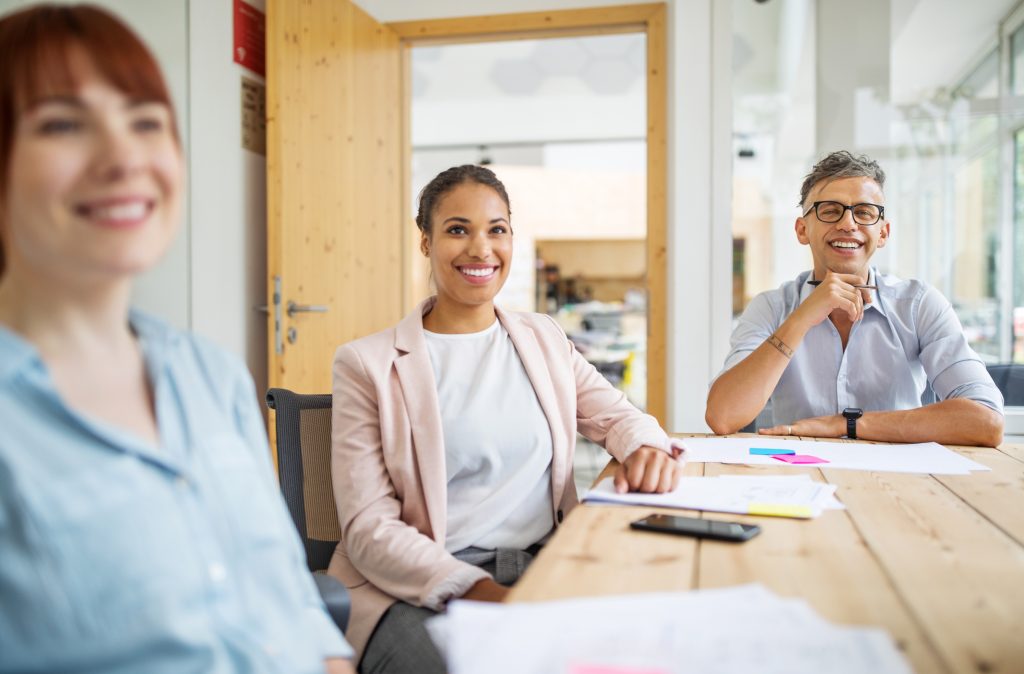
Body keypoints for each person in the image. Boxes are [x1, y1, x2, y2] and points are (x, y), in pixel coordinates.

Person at [0, 5, 354, 673]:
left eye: (145, 122)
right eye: (62, 125)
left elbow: (292, 597)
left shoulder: (210, 374)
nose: (125, 156)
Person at [329, 165, 684, 673]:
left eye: (497, 230)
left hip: (548, 564)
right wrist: (479, 591)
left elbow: (617, 416)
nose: (481, 249)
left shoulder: (541, 337)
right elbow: (368, 529)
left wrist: (645, 448)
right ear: (426, 242)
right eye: (457, 230)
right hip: (418, 588)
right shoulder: (367, 363)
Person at [705, 150, 1004, 447]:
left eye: (864, 212)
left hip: (900, 481)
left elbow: (986, 420)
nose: (848, 224)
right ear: (802, 229)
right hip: (799, 475)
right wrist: (801, 319)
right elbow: (724, 416)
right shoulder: (771, 307)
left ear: (883, 233)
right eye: (830, 210)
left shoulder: (919, 305)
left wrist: (846, 425)